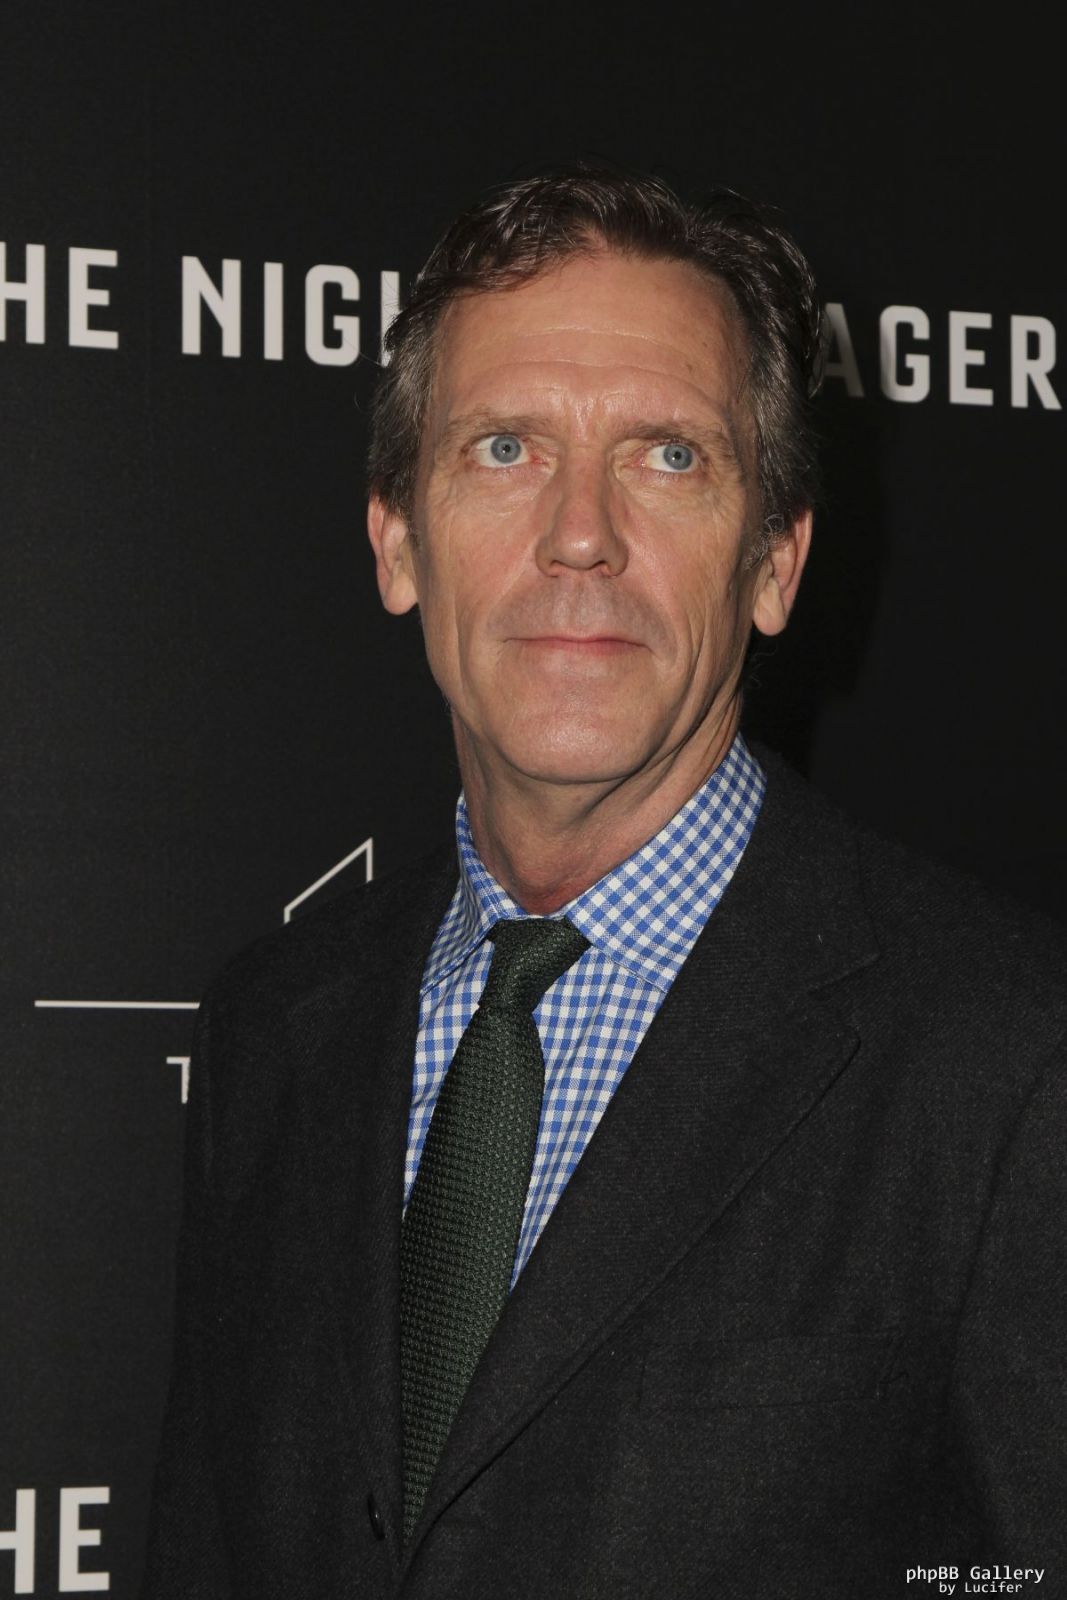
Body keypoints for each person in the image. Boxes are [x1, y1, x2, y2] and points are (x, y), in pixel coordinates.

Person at [141, 166, 1067, 1600]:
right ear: (397, 540)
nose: (581, 532)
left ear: (775, 562)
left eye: (669, 456)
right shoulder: (274, 1028)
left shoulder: (1011, 1060)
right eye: (505, 448)